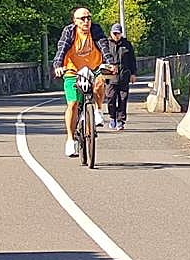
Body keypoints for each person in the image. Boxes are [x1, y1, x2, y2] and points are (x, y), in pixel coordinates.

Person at [52, 8, 116, 157]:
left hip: (93, 69)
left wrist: (110, 63)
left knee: (100, 81)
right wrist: (57, 66)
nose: (86, 21)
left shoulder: (96, 30)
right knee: (73, 104)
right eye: (82, 19)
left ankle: (98, 110)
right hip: (72, 71)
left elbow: (104, 47)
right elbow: (61, 50)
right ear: (75, 21)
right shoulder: (69, 32)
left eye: (88, 18)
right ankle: (70, 140)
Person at [105, 23, 137, 131]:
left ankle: (121, 121)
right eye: (114, 33)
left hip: (124, 76)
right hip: (110, 77)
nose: (116, 35)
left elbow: (132, 60)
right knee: (111, 98)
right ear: (111, 33)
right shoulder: (107, 44)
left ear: (121, 34)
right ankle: (112, 117)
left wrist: (133, 73)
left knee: (123, 99)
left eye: (118, 33)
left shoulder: (127, 44)